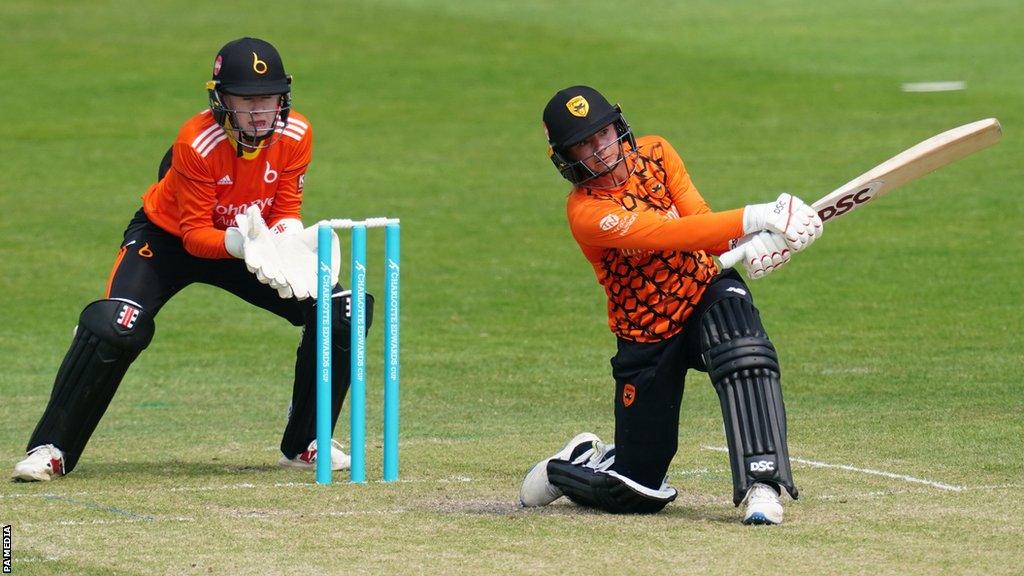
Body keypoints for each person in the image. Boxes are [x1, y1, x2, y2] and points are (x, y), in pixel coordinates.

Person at [11, 37, 369, 482]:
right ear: (221, 100)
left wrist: (287, 239)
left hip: (249, 242)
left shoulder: (296, 134)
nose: (260, 112)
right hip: (168, 240)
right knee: (118, 325)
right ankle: (52, 449)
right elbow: (197, 237)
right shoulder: (197, 141)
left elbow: (284, 210)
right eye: (247, 100)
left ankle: (305, 443)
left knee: (343, 309)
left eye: (269, 99)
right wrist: (243, 246)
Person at [519, 85, 823, 525]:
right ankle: (568, 466)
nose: (600, 149)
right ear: (566, 159)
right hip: (647, 336)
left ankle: (763, 485)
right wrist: (757, 217)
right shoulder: (587, 212)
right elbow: (662, 235)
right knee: (637, 489)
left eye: (603, 133)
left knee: (743, 348)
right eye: (584, 144)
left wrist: (757, 243)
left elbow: (702, 225)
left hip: (705, 291)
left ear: (618, 127)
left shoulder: (657, 154)